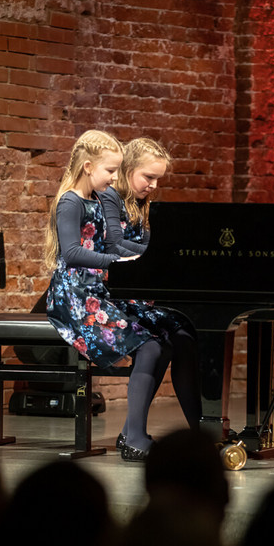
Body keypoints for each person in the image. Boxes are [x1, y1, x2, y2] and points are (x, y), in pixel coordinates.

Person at [45, 130, 201, 462]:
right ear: (88, 167)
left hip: (96, 291)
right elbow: (72, 252)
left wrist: (154, 255)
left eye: (117, 172)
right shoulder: (70, 201)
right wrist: (117, 260)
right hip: (72, 297)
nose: (114, 178)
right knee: (149, 345)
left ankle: (136, 435)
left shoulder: (99, 200)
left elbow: (115, 242)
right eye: (110, 171)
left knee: (160, 343)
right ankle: (135, 438)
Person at [100, 137, 202, 454]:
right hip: (106, 296)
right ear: (128, 169)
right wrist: (156, 255)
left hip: (135, 297)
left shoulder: (143, 206)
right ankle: (134, 437)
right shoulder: (108, 198)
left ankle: (202, 431)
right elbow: (114, 246)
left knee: (184, 336)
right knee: (153, 345)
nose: (154, 185)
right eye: (149, 177)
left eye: (158, 179)